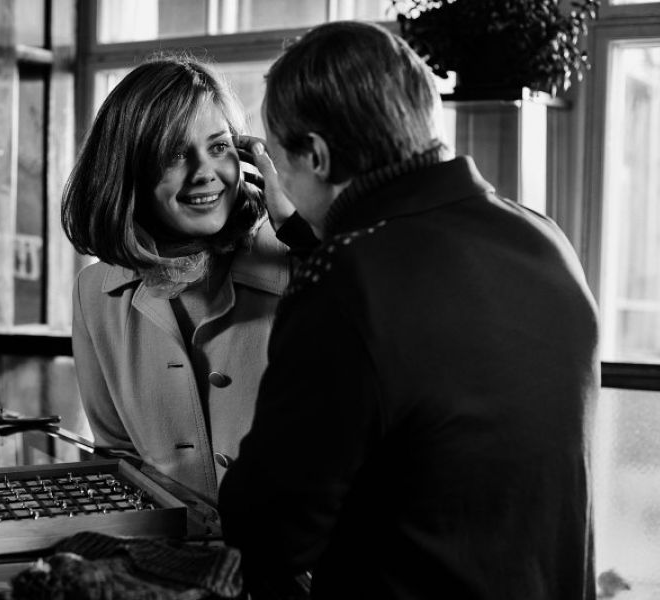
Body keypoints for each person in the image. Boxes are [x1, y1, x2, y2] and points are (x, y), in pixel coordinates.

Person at [218, 21, 599, 599]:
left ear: (317, 155)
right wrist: (308, 232)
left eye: (278, 159)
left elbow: (270, 533)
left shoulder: (345, 279)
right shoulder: (544, 238)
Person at [62, 55, 314, 504]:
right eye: (174, 154)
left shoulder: (303, 261)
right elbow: (117, 458)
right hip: (170, 546)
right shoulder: (94, 293)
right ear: (128, 171)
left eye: (219, 147)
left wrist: (303, 232)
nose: (205, 173)